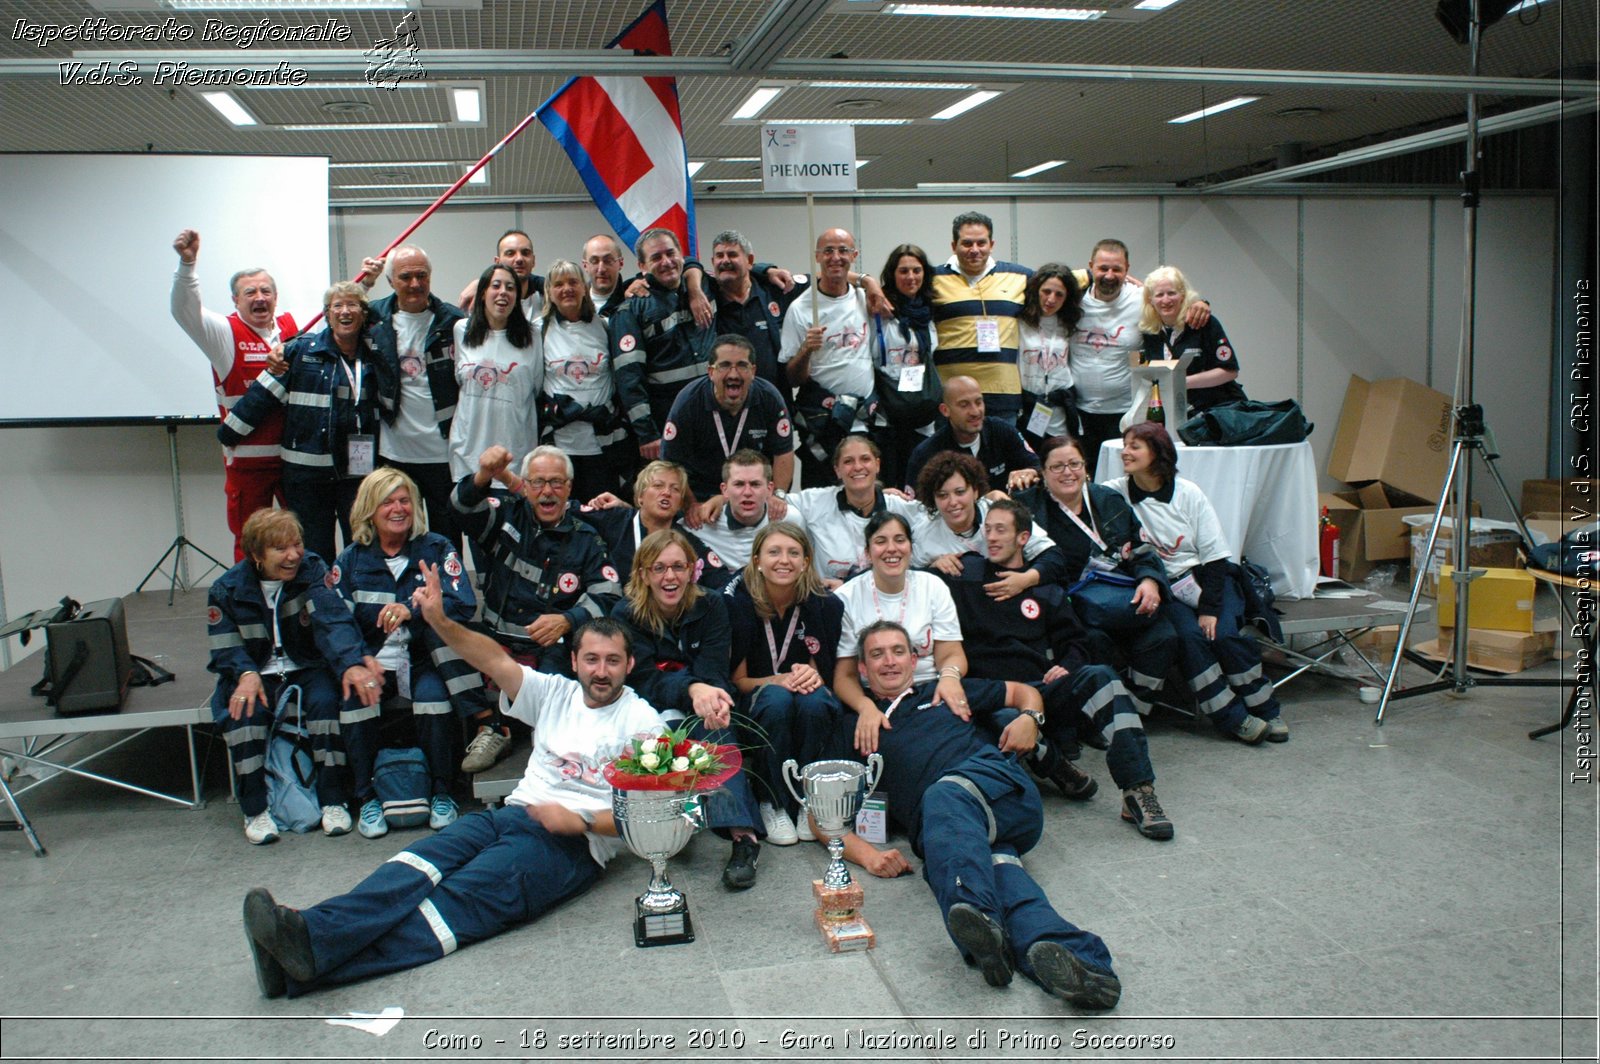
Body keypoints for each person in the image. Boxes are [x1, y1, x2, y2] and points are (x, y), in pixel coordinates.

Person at [241, 608, 664, 999]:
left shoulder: (642, 723)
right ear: (574, 662)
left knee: (456, 902)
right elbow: (492, 660)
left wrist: (582, 819)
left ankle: (302, 962)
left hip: (570, 847)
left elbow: (649, 816)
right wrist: (439, 619)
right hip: (507, 815)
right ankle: (306, 934)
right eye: (592, 659)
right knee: (409, 868)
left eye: (612, 661)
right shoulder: (554, 692)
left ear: (629, 665)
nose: (601, 671)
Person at [827, 620, 1122, 1009]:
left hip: (998, 788)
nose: (889, 661)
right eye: (877, 654)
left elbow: (1023, 692)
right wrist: (869, 855)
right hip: (947, 835)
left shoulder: (944, 691)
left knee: (944, 798)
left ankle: (978, 915)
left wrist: (1029, 719)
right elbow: (823, 814)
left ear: (915, 660)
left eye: (898, 651)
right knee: (1006, 884)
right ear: (862, 669)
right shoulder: (854, 727)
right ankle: (1083, 964)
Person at [942, 499, 1172, 840]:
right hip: (993, 694)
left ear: (1023, 538)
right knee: (1004, 721)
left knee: (1103, 679)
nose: (991, 537)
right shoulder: (965, 576)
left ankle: (1138, 790)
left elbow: (1076, 642)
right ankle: (1057, 767)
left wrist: (1067, 666)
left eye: (1000, 530)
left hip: (1042, 687)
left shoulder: (1044, 588)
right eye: (987, 529)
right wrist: (933, 560)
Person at [206, 509, 382, 844]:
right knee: (245, 714)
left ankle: (333, 801)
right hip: (256, 674)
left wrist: (350, 663)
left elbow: (332, 619)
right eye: (281, 549)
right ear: (257, 555)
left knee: (326, 704)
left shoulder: (312, 570)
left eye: (297, 544)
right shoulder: (225, 589)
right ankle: (255, 809)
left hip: (306, 667)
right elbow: (224, 647)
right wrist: (245, 673)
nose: (293, 555)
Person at [1106, 422, 1286, 744]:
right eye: (1125, 445)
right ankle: (1234, 718)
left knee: (1224, 635)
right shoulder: (1115, 492)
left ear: (1157, 453)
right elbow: (1080, 498)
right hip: (1163, 587)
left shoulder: (1188, 493)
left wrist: (1209, 609)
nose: (1125, 452)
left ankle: (1266, 708)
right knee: (1190, 639)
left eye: (1135, 446)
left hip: (1206, 579)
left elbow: (1216, 557)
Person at [330, 468, 482, 839]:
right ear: (369, 509)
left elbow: (463, 604)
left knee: (433, 699)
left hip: (422, 659)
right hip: (372, 659)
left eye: (404, 501)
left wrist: (414, 608)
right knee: (356, 701)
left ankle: (442, 792)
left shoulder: (436, 548)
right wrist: (356, 662)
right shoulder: (350, 561)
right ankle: (366, 796)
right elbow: (335, 622)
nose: (398, 509)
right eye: (388, 502)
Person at [451, 445, 623, 773]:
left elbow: (609, 593)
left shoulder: (587, 537)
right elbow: (459, 508)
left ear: (570, 488)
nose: (547, 491)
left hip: (550, 645)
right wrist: (484, 475)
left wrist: (567, 620)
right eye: (538, 482)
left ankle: (546, 739)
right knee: (444, 637)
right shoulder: (505, 513)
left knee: (563, 669)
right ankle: (491, 726)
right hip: (496, 639)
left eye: (557, 483)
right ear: (525, 486)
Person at [611, 530, 765, 889]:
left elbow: (713, 669)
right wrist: (692, 687)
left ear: (692, 571)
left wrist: (708, 695)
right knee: (664, 727)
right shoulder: (626, 614)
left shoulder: (710, 605)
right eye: (660, 568)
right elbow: (643, 679)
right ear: (644, 573)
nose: (670, 577)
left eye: (678, 567)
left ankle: (744, 839)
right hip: (648, 707)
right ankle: (673, 828)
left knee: (715, 723)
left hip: (700, 703)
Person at [219, 282, 385, 564]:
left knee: (361, 548)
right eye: (337, 306)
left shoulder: (377, 356)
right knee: (313, 553)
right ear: (327, 315)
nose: (345, 312)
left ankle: (354, 605)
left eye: (353, 305)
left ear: (364, 314)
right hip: (306, 478)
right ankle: (319, 606)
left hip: (358, 477)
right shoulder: (298, 352)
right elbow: (263, 395)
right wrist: (229, 433)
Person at [1010, 435, 1175, 716]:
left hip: (1116, 590)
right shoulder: (1030, 509)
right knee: (1092, 641)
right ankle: (1101, 711)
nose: (1067, 473)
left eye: (1074, 464)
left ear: (1085, 467)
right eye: (1057, 466)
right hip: (1066, 601)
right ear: (1043, 472)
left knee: (1163, 635)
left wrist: (1149, 581)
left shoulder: (1107, 499)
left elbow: (1141, 547)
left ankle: (1136, 705)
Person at [170, 229, 299, 561]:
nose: (259, 297)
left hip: (292, 459)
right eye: (250, 292)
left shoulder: (289, 328)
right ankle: (250, 608)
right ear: (235, 300)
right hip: (248, 463)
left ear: (276, 295)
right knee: (252, 543)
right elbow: (185, 313)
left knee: (298, 539)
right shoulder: (225, 333)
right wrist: (188, 266)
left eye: (266, 291)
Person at [727, 523, 846, 846]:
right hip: (759, 699)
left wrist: (813, 676)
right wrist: (777, 680)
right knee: (777, 700)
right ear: (757, 560)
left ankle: (811, 801)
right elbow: (738, 681)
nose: (784, 560)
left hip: (804, 698)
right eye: (774, 552)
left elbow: (822, 669)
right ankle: (773, 801)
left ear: (806, 561)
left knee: (816, 701)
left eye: (794, 553)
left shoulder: (824, 604)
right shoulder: (737, 603)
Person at [1071, 240, 1211, 474]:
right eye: (1103, 268)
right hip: (1079, 413)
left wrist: (1200, 304)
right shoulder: (1072, 301)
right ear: (1090, 267)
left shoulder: (1141, 299)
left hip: (1128, 412)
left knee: (1127, 479)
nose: (1109, 275)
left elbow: (1173, 302)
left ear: (1127, 269)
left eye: (1117, 269)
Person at [832, 512, 966, 753]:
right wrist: (865, 707)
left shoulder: (932, 586)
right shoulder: (845, 598)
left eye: (900, 540)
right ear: (867, 552)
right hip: (872, 694)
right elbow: (844, 676)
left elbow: (952, 654)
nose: (891, 549)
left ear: (911, 548)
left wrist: (949, 677)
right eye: (881, 541)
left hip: (928, 690)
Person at [366, 246, 467, 549]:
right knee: (395, 536)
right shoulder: (373, 319)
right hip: (394, 453)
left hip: (442, 453)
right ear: (391, 281)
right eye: (405, 276)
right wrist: (363, 284)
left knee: (447, 535)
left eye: (421, 275)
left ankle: (450, 594)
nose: (414, 284)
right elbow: (335, 321)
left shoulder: (454, 321)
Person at [610, 228, 717, 461]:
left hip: (715, 418)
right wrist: (647, 434)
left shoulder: (705, 286)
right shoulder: (631, 310)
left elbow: (740, 273)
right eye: (656, 258)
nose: (666, 262)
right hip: (668, 423)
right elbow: (629, 379)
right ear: (642, 266)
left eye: (671, 253)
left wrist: (767, 269)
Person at [780, 228, 875, 481]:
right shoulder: (800, 309)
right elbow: (792, 378)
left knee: (866, 495)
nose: (836, 257)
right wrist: (806, 350)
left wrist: (869, 281)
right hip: (822, 424)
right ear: (817, 257)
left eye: (843, 250)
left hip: (865, 420)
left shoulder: (865, 300)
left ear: (854, 255)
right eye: (828, 251)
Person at [661, 334, 796, 500]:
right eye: (724, 365)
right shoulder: (688, 401)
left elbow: (783, 453)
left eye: (742, 366)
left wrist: (778, 496)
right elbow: (670, 464)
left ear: (753, 371)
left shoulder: (769, 397)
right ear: (711, 371)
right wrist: (691, 506)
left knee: (792, 517)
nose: (733, 374)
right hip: (701, 493)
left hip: (752, 492)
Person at [929, 211, 1033, 421]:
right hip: (953, 399)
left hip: (1003, 398)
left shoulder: (1019, 276)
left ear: (991, 244)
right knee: (952, 456)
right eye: (967, 243)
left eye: (981, 243)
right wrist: (864, 280)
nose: (975, 250)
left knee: (1001, 455)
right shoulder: (932, 279)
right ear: (953, 246)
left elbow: (1062, 280)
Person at [780, 434, 923, 586]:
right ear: (837, 470)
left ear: (877, 465)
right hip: (833, 602)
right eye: (848, 461)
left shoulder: (900, 507)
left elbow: (938, 518)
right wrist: (778, 494)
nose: (858, 467)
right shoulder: (816, 502)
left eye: (865, 459)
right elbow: (770, 503)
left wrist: (939, 560)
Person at [539, 260, 628, 502]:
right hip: (559, 444)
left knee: (601, 513)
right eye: (558, 284)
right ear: (549, 291)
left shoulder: (605, 327)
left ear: (584, 286)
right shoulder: (538, 330)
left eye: (573, 282)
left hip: (602, 444)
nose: (566, 288)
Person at [911, 450, 1066, 587]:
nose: (953, 502)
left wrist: (1025, 579)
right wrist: (931, 569)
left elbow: (1053, 556)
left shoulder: (1001, 511)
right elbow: (907, 579)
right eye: (942, 495)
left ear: (976, 491)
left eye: (960, 492)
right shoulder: (923, 532)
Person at [572, 460, 733, 591]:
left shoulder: (688, 543)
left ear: (680, 504)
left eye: (675, 489)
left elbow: (724, 583)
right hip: (617, 617)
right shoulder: (614, 519)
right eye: (658, 486)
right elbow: (562, 508)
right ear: (640, 496)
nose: (666, 493)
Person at [448, 263, 542, 484]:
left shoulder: (533, 336)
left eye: (510, 287)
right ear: (482, 293)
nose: (503, 292)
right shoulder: (461, 330)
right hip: (467, 451)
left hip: (515, 453)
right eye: (496, 286)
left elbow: (536, 388)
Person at [704, 229, 808, 394]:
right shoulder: (706, 297)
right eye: (719, 256)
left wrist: (863, 279)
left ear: (750, 260)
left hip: (776, 402)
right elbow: (687, 265)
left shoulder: (776, 288)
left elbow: (824, 281)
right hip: (728, 406)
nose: (725, 261)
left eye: (732, 254)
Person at [1138, 266, 1247, 420]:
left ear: (1183, 295)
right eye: (1159, 294)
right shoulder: (1150, 332)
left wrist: (1181, 382)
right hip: (1179, 415)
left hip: (1220, 412)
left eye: (1171, 293)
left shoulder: (1203, 323)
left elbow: (1230, 371)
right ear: (1151, 300)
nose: (1166, 300)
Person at [874, 243, 941, 489]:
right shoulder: (878, 307)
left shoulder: (930, 310)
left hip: (922, 416)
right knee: (892, 485)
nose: (911, 277)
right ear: (892, 274)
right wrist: (868, 283)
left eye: (916, 270)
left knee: (920, 486)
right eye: (903, 271)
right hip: (888, 414)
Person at [905, 375, 1040, 494]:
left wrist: (1030, 472)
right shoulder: (926, 453)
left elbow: (1038, 466)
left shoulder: (1001, 430)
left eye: (978, 402)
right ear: (945, 410)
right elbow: (916, 507)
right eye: (964, 405)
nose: (975, 412)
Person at [691, 450, 808, 571]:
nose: (747, 492)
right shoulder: (699, 525)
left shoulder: (791, 520)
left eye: (755, 484)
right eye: (739, 484)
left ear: (769, 489)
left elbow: (804, 570)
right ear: (724, 490)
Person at [1017, 264, 1083, 450]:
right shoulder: (1020, 322)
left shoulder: (1069, 323)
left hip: (1061, 406)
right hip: (1029, 406)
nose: (1051, 299)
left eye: (1059, 294)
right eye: (1046, 291)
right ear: (1036, 290)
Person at [457, 229, 544, 319]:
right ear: (497, 262)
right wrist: (481, 284)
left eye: (525, 253)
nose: (519, 259)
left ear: (533, 261)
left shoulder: (547, 300)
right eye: (510, 253)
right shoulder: (479, 303)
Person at [580, 233, 628, 317]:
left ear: (620, 263)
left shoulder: (633, 301)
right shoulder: (576, 304)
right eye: (594, 261)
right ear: (585, 266)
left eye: (608, 261)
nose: (601, 269)